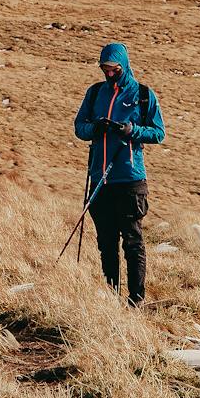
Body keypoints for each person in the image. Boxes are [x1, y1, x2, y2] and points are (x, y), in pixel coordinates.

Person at [73, 41, 166, 306]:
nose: (109, 74)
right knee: (106, 243)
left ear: (123, 66)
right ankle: (112, 298)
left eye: (113, 69)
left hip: (130, 180)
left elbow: (158, 133)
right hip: (100, 179)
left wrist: (131, 131)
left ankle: (136, 299)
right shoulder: (94, 93)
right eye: (105, 69)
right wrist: (95, 129)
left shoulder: (144, 95)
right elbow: (79, 127)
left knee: (133, 241)